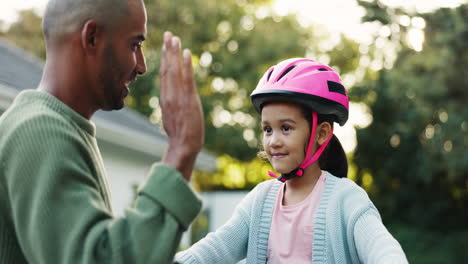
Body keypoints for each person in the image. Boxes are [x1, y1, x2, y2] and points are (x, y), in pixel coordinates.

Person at [0, 0, 204, 263]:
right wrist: (180, 151)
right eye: (134, 45)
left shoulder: (58, 128)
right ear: (92, 38)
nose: (141, 66)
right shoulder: (39, 131)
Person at [175, 58, 408, 263]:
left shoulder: (346, 199)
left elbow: (382, 248)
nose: (273, 141)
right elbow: (216, 248)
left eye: (286, 128)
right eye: (267, 129)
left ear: (321, 133)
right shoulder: (260, 200)